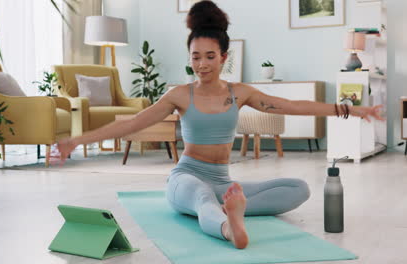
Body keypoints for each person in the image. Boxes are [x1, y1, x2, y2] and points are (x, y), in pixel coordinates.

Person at [55, 0, 384, 249]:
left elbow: (292, 106)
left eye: (209, 56)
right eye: (195, 56)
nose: (201, 64)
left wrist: (349, 110)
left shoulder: (239, 93)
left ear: (224, 57)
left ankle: (228, 208)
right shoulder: (180, 95)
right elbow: (132, 123)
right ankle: (230, 228)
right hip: (186, 179)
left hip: (224, 183)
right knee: (201, 197)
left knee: (300, 188)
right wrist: (78, 139)